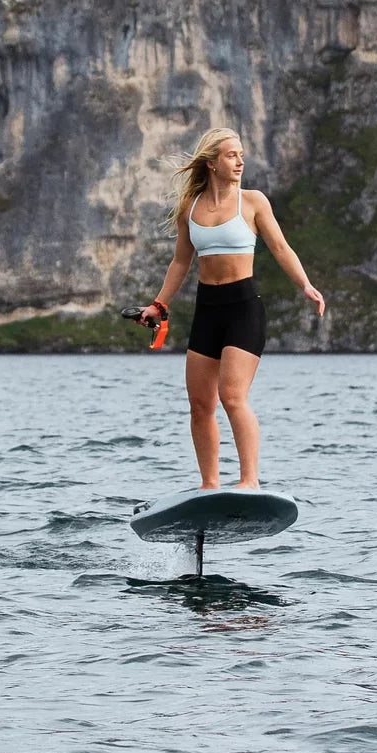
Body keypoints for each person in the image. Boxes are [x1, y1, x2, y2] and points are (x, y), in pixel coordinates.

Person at [136, 127, 325, 490]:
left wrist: (305, 285)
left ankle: (249, 481)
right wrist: (159, 304)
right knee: (200, 405)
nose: (240, 161)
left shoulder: (253, 202)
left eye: (241, 155)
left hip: (243, 309)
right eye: (231, 155)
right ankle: (210, 485)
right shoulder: (189, 209)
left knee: (232, 397)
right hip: (208, 310)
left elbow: (281, 248)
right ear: (212, 163)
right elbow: (180, 263)